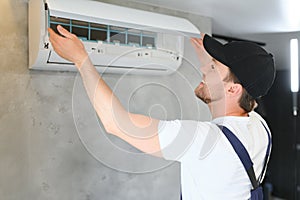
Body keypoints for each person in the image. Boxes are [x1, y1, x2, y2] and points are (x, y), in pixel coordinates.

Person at [48, 25, 275, 199]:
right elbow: (237, 92)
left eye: (213, 67)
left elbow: (115, 123)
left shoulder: (204, 142)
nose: (204, 69)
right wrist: (211, 62)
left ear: (233, 89)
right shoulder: (259, 127)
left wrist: (81, 59)